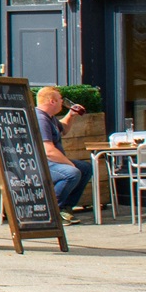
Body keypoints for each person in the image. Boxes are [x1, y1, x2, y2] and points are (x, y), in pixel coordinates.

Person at [36, 85, 89, 213]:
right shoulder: (41, 119)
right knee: (72, 173)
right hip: (41, 164)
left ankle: (66, 207)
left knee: (85, 168)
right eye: (60, 99)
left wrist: (71, 115)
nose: (62, 102)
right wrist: (70, 164)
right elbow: (48, 151)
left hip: (52, 162)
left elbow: (63, 129)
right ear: (52, 101)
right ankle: (51, 210)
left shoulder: (50, 117)